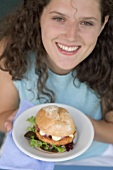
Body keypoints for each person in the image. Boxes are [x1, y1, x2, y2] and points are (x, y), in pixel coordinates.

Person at [0, 0, 113, 168]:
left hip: (95, 158)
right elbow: (2, 112)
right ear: (38, 15)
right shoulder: (11, 50)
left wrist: (78, 126)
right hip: (27, 154)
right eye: (59, 19)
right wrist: (14, 120)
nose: (71, 36)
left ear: (103, 24)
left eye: (87, 22)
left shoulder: (109, 58)